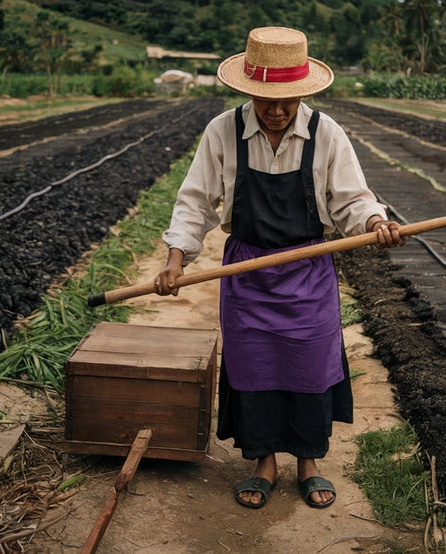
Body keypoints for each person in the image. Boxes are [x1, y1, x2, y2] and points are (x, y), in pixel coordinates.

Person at [154, 26, 407, 509]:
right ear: (248, 91)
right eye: (265, 100)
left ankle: (308, 462)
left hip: (308, 269)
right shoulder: (223, 132)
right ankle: (264, 462)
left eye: (287, 101)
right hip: (246, 271)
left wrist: (375, 222)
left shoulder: (326, 133)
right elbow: (195, 202)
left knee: (309, 363)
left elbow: (352, 199)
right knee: (253, 365)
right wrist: (175, 257)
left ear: (303, 93)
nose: (275, 110)